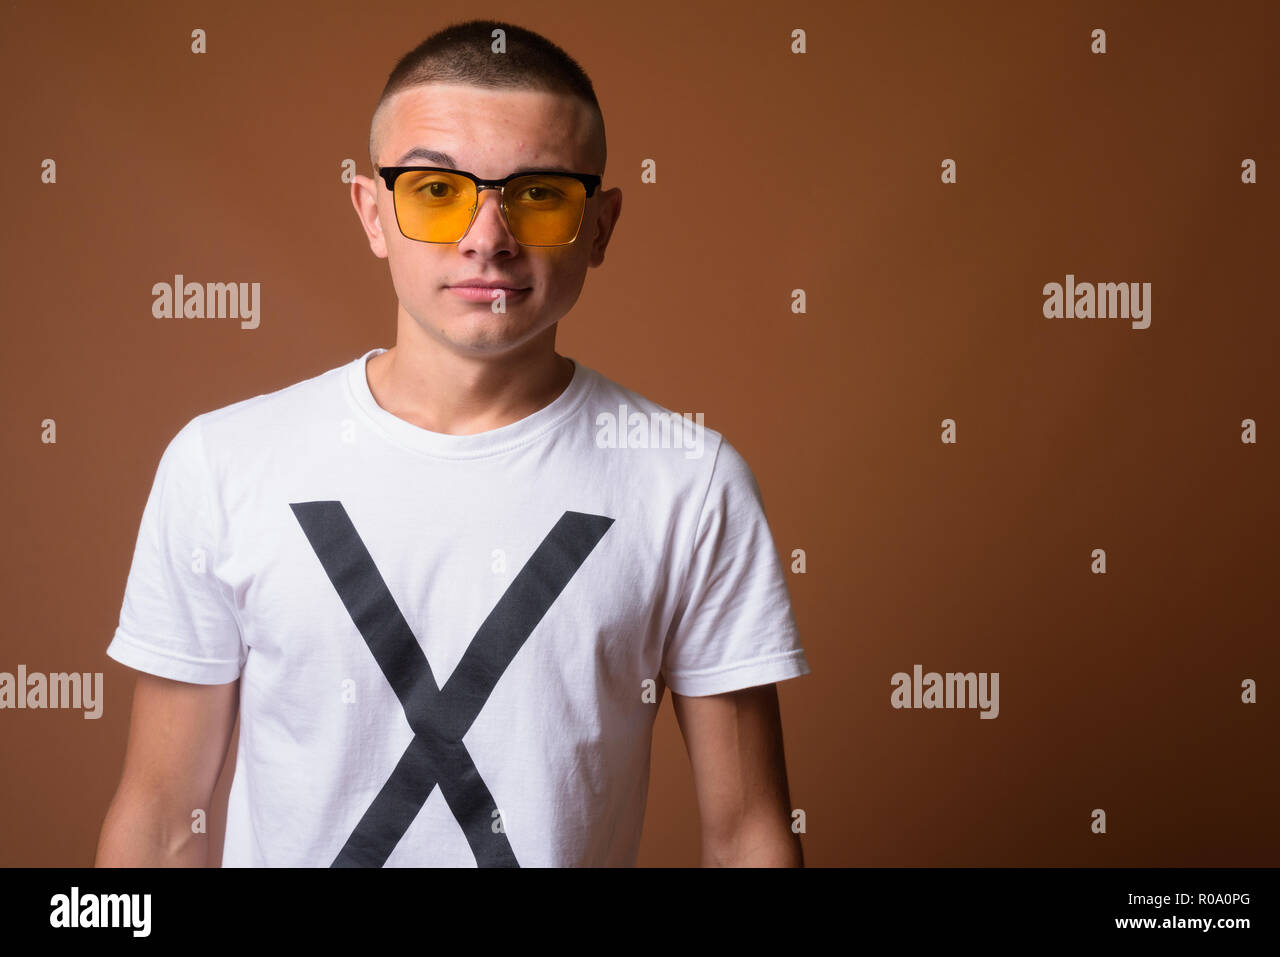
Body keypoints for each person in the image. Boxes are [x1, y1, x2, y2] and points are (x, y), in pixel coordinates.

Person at [95, 18, 810, 868]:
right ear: (373, 211)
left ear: (602, 225)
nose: (488, 237)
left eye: (540, 194)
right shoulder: (222, 463)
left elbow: (748, 836)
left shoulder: (692, 485)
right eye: (437, 192)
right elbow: (161, 820)